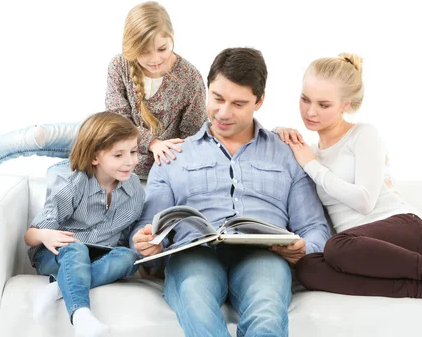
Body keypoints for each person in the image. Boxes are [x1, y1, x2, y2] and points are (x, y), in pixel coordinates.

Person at [274, 53, 422, 321]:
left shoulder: (363, 135)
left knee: (336, 246)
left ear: (345, 104)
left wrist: (312, 166)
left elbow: (365, 201)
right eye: (305, 100)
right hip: (360, 254)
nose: (310, 112)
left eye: (323, 104)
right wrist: (278, 132)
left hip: (404, 231)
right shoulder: (309, 152)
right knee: (307, 269)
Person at [130, 47, 330, 337]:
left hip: (263, 256)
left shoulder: (287, 153)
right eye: (217, 98)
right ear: (206, 91)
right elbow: (146, 228)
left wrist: (303, 248)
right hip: (194, 255)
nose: (223, 113)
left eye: (238, 104)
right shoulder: (173, 156)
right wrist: (146, 242)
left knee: (267, 311)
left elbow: (314, 227)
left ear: (259, 101)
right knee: (194, 298)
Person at [0, 1, 207, 179]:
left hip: (139, 162)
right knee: (39, 135)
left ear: (172, 39)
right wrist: (153, 141)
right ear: (131, 49)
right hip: (106, 134)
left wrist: (158, 152)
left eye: (162, 48)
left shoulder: (190, 78)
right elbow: (118, 120)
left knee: (66, 174)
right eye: (145, 52)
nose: (155, 59)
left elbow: (193, 137)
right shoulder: (119, 66)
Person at [25, 111, 145, 337]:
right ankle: (81, 316)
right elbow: (30, 235)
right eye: (119, 155)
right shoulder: (72, 184)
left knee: (130, 257)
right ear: (94, 157)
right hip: (58, 255)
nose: (131, 161)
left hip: (97, 255)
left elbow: (125, 237)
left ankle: (55, 289)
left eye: (133, 151)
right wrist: (45, 236)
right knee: (76, 247)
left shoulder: (134, 189)